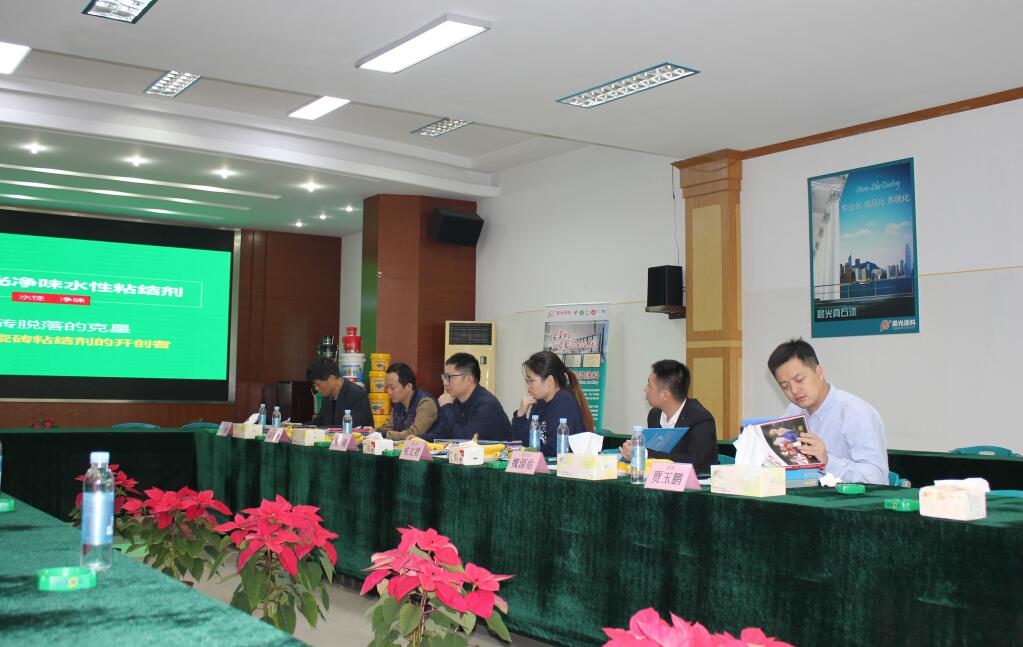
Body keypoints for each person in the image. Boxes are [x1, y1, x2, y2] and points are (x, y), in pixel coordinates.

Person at [767, 338, 888, 484]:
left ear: (819, 372)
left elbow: (877, 477)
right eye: (785, 386)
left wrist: (827, 461)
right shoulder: (794, 411)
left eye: (799, 380)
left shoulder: (857, 414)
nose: (794, 390)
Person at [620, 360, 717, 472]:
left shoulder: (701, 419)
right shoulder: (655, 415)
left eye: (649, 385)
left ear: (665, 395)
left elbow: (694, 462)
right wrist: (632, 452)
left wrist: (645, 454)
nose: (645, 389)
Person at [510, 351, 594, 456]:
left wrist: (530, 450)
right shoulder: (538, 402)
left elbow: (554, 451)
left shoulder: (564, 402)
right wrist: (520, 414)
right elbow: (523, 443)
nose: (528, 386)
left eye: (531, 380)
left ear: (550, 381)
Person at [431, 352, 512, 441]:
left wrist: (447, 407)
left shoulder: (487, 405)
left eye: (450, 377)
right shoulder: (457, 403)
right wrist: (419, 439)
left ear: (468, 379)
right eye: (444, 377)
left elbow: (466, 441)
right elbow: (440, 434)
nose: (445, 383)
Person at [377, 362, 440, 440]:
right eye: (387, 387)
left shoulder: (426, 402)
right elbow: (388, 427)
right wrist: (374, 432)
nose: (389, 392)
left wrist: (386, 435)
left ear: (409, 386)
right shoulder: (398, 403)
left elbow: (414, 433)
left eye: (392, 388)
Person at [307, 357, 373, 428]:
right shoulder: (327, 397)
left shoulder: (357, 395)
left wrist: (325, 429)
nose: (316, 388)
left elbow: (352, 427)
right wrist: (301, 427)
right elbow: (319, 422)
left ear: (331, 379)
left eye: (318, 384)